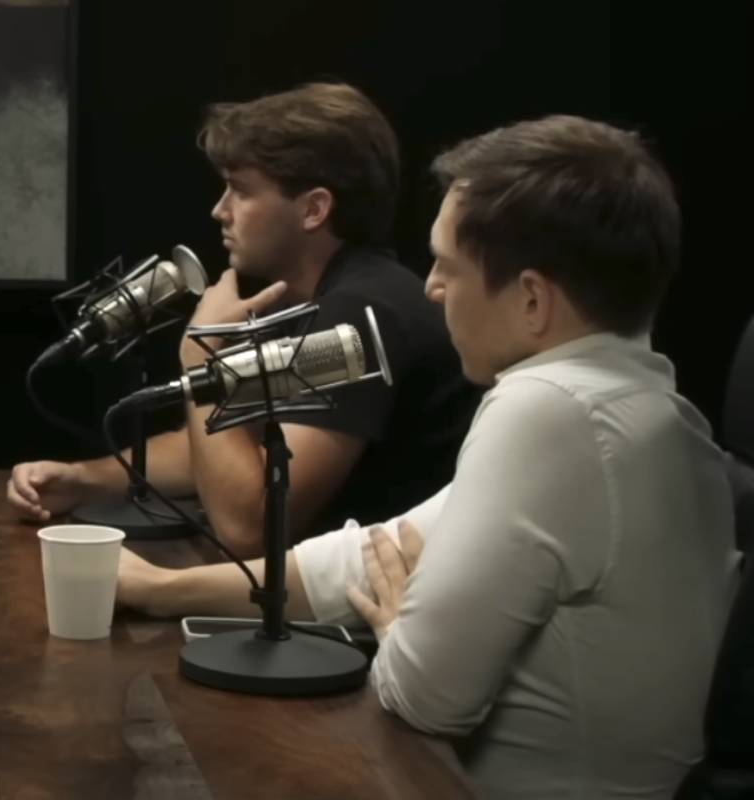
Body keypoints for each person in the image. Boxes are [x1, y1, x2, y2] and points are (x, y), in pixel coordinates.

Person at [117, 115, 739, 799]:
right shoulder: (653, 411)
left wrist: (398, 622)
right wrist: (157, 589)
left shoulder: (546, 410)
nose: (432, 289)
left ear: (531, 299)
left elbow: (422, 696)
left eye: (447, 265)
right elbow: (377, 554)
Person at [8, 82, 479, 556]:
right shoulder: (315, 299)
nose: (219, 211)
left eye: (240, 190)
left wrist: (200, 357)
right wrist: (85, 479)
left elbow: (252, 527)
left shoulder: (357, 315)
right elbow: (230, 453)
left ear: (314, 209)